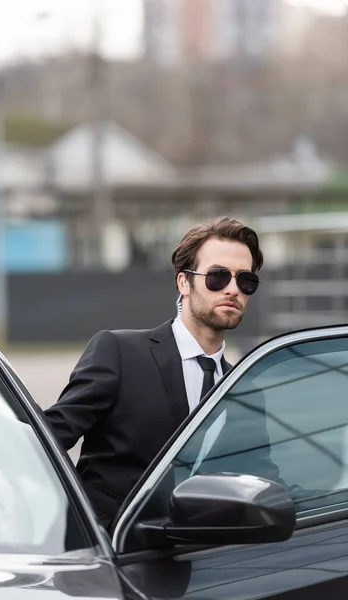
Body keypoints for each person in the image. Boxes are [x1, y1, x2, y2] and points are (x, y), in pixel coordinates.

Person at [44, 216, 277, 529]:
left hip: (204, 562)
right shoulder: (120, 352)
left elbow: (263, 484)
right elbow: (47, 437)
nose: (233, 289)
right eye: (218, 276)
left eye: (245, 280)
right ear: (184, 282)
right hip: (110, 549)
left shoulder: (244, 388)